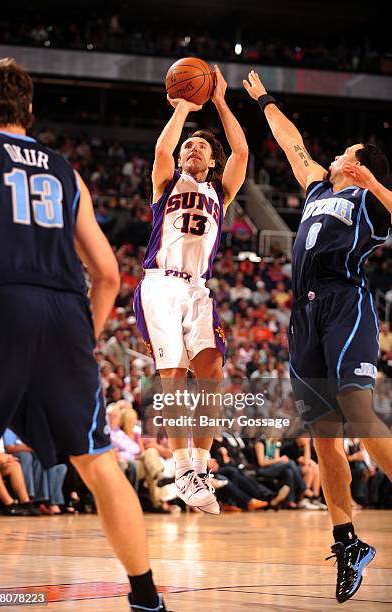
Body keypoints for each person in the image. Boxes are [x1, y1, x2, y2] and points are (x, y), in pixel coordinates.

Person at [0, 58, 167, 612]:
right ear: (30, 111)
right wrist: (78, 338)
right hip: (65, 312)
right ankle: (146, 599)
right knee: (99, 462)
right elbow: (108, 273)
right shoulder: (64, 169)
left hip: (0, 300)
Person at [244, 69, 392, 604]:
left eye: (344, 154)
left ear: (358, 165)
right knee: (323, 438)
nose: (332, 158)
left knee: (357, 410)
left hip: (343, 302)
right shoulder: (314, 191)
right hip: (303, 316)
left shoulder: (367, 204)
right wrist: (264, 101)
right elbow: (293, 144)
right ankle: (347, 542)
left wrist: (372, 181)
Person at [134, 65, 248, 514]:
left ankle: (200, 467)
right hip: (161, 282)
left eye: (200, 145)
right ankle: (182, 468)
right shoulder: (168, 184)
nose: (192, 148)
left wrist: (220, 100)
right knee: (174, 379)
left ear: (211, 160)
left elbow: (240, 149)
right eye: (189, 146)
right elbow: (163, 149)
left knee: (212, 373)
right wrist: (182, 108)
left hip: (198, 288)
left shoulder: (221, 189)